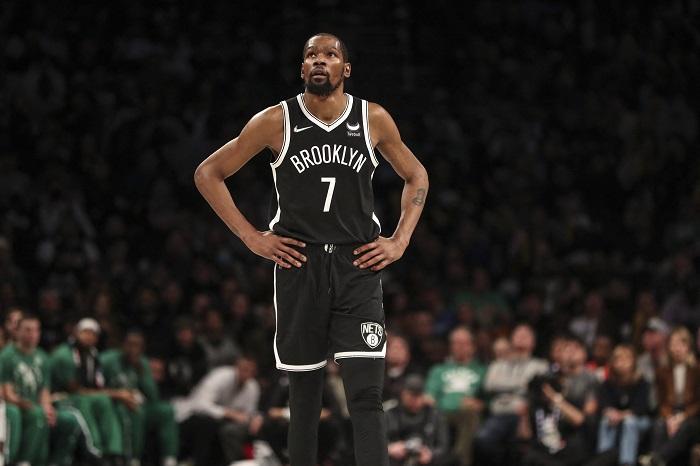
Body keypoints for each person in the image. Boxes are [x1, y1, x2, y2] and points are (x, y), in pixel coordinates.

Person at [194, 32, 428, 466]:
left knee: (366, 394)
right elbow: (208, 173)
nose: (320, 60)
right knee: (304, 398)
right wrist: (251, 237)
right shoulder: (275, 120)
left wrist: (399, 241)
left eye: (330, 54)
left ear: (346, 69)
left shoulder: (372, 117)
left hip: (356, 263)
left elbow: (417, 176)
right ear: (302, 68)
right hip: (300, 263)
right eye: (311, 55)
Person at [2, 314, 82, 466]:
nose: (32, 334)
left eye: (36, 330)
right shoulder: (7, 356)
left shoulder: (43, 357)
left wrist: (48, 408)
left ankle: (57, 462)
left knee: (68, 420)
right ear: (17, 331)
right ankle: (23, 461)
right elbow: (7, 392)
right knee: (37, 414)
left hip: (36, 406)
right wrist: (26, 404)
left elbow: (44, 390)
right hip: (17, 405)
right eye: (28, 330)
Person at [49, 318, 126, 464]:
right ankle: (94, 449)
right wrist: (116, 394)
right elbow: (75, 389)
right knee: (84, 401)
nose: (89, 336)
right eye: (85, 332)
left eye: (93, 334)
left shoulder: (93, 355)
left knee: (104, 401)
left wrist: (111, 394)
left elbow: (98, 386)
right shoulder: (64, 355)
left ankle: (113, 451)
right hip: (61, 397)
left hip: (85, 395)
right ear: (76, 333)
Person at [99, 329, 179, 466]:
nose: (133, 349)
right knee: (136, 411)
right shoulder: (107, 360)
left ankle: (170, 460)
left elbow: (153, 396)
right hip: (115, 404)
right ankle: (134, 460)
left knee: (166, 410)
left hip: (138, 404)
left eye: (137, 346)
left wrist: (142, 373)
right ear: (123, 345)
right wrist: (119, 396)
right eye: (130, 344)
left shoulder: (142, 363)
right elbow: (96, 387)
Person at [475, 324, 548, 466]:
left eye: (525, 336)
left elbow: (537, 388)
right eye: (518, 335)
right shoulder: (497, 365)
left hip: (525, 414)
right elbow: (489, 385)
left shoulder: (540, 365)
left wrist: (504, 387)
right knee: (482, 440)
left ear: (533, 342)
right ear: (511, 340)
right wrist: (523, 385)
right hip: (499, 413)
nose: (521, 338)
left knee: (521, 449)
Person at [174, 355, 262, 466]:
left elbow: (249, 413)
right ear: (237, 367)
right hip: (192, 416)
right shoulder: (220, 376)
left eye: (251, 371)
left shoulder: (253, 386)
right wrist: (228, 413)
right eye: (244, 369)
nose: (246, 373)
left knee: (233, 431)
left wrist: (255, 418)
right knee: (207, 424)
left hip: (225, 424)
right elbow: (200, 404)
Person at [425, 326, 486, 466]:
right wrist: (430, 401)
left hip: (467, 413)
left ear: (472, 347)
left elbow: (488, 399)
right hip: (442, 412)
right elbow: (429, 395)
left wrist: (481, 404)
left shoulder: (482, 370)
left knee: (469, 413)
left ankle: (459, 460)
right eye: (455, 343)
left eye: (463, 343)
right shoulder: (438, 370)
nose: (459, 347)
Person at [640, 326, 700, 466]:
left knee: (686, 427)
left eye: (681, 344)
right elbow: (661, 401)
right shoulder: (662, 372)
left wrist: (683, 416)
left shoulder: (697, 371)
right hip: (669, 412)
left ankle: (656, 459)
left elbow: (698, 402)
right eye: (673, 344)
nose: (677, 348)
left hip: (692, 415)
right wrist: (669, 418)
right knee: (659, 426)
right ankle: (658, 460)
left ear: (688, 346)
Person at [596, 344, 652, 466]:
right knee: (606, 421)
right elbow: (604, 404)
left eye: (627, 359)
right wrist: (610, 412)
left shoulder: (642, 382)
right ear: (613, 362)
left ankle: (626, 462)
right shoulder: (608, 383)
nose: (623, 363)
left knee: (629, 422)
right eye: (619, 359)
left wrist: (621, 415)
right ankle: (603, 459)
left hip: (640, 420)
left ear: (633, 361)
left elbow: (641, 408)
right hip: (616, 419)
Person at [386, 374, 450, 466]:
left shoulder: (434, 415)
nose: (414, 400)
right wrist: (389, 448)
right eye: (411, 395)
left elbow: (443, 446)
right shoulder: (391, 413)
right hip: (396, 459)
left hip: (426, 459)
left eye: (418, 396)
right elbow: (375, 442)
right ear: (403, 394)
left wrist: (431, 453)